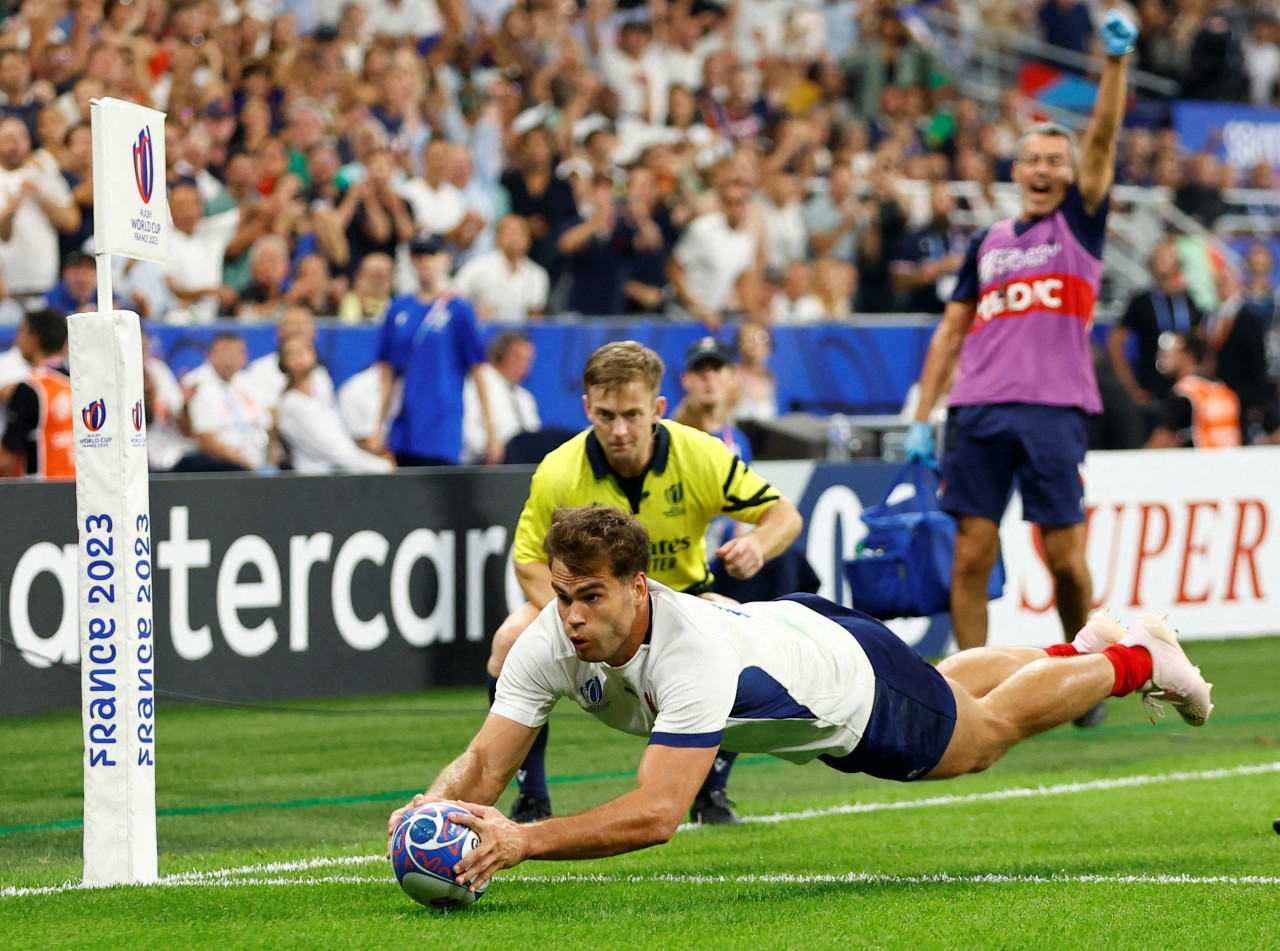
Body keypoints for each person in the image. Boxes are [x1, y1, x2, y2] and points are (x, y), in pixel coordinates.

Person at [387, 504, 1213, 892]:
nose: (571, 615)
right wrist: (435, 803)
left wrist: (522, 843)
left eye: (592, 596)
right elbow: (488, 761)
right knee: (950, 685)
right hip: (797, 628)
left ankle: (1139, 658)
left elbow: (656, 812)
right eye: (563, 593)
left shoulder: (690, 651)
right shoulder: (550, 633)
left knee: (981, 735)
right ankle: (1084, 646)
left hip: (843, 686)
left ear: (639, 588)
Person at [903, 12, 1139, 729]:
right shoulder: (987, 242)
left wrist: (1114, 66)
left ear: (1070, 176)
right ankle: (976, 695)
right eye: (1032, 160)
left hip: (1054, 408)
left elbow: (1101, 137)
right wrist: (923, 415)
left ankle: (1079, 674)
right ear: (1016, 171)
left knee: (1065, 559)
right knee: (970, 553)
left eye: (1054, 162)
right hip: (978, 410)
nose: (1042, 171)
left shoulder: (1080, 225)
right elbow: (950, 332)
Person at [484, 342, 803, 826]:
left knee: (737, 636)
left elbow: (783, 515)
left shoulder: (701, 455)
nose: (618, 430)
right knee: (508, 639)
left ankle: (712, 791)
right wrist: (571, 611)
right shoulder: (558, 470)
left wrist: (758, 546)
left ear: (657, 409)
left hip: (683, 603)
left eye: (632, 415)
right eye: (606, 415)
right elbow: (528, 559)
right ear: (587, 407)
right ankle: (531, 795)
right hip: (592, 605)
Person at [373, 233, 499, 468]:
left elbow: (478, 371)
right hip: (405, 422)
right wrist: (378, 425)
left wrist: (491, 431)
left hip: (442, 424)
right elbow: (388, 373)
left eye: (431, 254)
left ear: (445, 259)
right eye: (419, 255)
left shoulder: (459, 309)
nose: (425, 261)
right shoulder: (398, 309)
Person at [276, 335, 395, 474]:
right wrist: (381, 467)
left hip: (337, 474)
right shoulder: (292, 405)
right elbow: (334, 451)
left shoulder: (321, 391)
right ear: (284, 362)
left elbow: (344, 442)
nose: (300, 355)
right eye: (292, 352)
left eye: (305, 349)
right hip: (316, 480)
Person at [0, 309, 72, 479]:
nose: (17, 340)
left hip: (38, 495)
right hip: (80, 490)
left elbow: (5, 459)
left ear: (34, 339)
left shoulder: (30, 389)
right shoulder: (78, 383)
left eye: (22, 331)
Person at [1144, 332, 1241, 449]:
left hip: (1201, 463)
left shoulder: (1184, 394)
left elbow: (1161, 440)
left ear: (1187, 357)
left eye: (1168, 353)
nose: (1160, 357)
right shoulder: (1223, 392)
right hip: (1230, 462)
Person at [461, 331, 541, 466]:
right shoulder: (476, 387)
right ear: (500, 355)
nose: (524, 368)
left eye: (528, 361)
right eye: (519, 359)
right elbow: (467, 431)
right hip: (484, 465)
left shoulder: (525, 398)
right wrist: (494, 448)